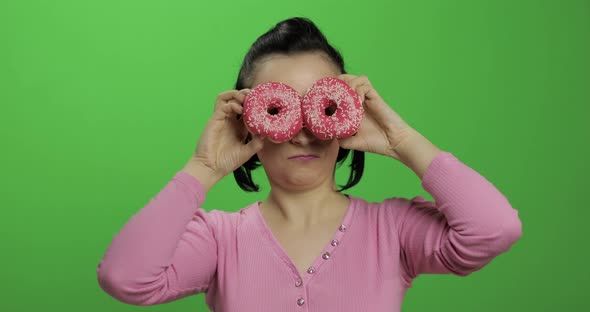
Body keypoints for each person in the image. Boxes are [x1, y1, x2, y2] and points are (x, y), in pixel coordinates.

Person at [96, 17, 523, 311]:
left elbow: (495, 229)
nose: (303, 133)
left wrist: (401, 140)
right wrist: (204, 166)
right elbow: (125, 278)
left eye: (320, 107)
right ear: (247, 123)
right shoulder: (219, 239)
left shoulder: (392, 229)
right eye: (281, 112)